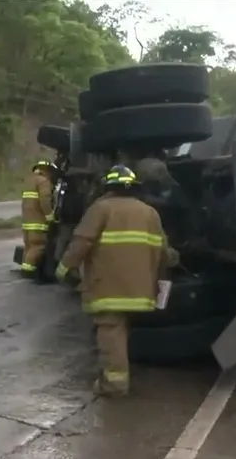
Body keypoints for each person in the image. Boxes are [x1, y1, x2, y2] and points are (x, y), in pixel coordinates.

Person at [55, 163, 179, 397]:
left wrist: (63, 269)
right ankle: (116, 373)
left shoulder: (101, 209)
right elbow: (164, 251)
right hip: (141, 290)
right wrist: (173, 262)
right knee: (121, 331)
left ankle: (114, 385)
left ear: (108, 187)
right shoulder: (149, 213)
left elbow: (81, 242)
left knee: (110, 332)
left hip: (107, 289)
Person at [19, 159, 58, 277]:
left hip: (27, 222)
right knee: (38, 246)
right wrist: (50, 217)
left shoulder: (29, 181)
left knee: (29, 247)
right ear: (46, 170)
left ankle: (25, 268)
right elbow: (45, 201)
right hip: (38, 222)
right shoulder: (43, 182)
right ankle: (29, 272)